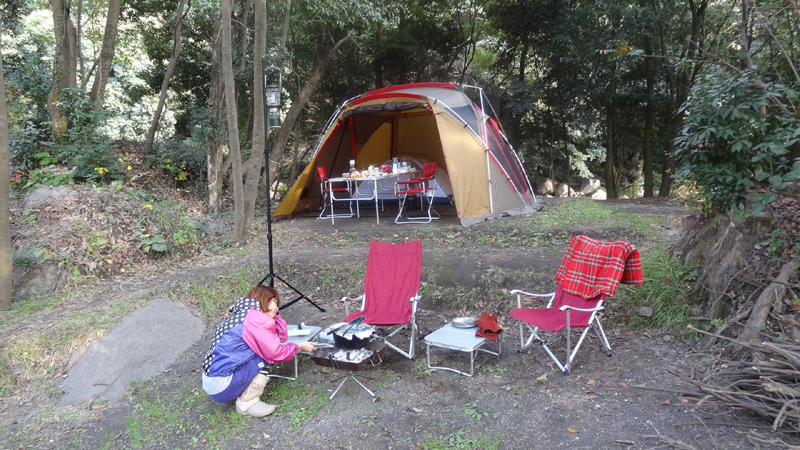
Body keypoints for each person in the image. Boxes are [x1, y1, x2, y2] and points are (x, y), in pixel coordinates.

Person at [201, 285, 317, 417]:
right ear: (265, 299)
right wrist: (299, 346)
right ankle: (247, 403)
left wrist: (275, 314)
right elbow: (276, 352)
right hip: (221, 386)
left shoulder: (244, 316)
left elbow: (281, 337)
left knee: (263, 351)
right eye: (275, 302)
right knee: (267, 356)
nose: (277, 309)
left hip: (212, 381)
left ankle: (241, 388)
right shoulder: (255, 321)